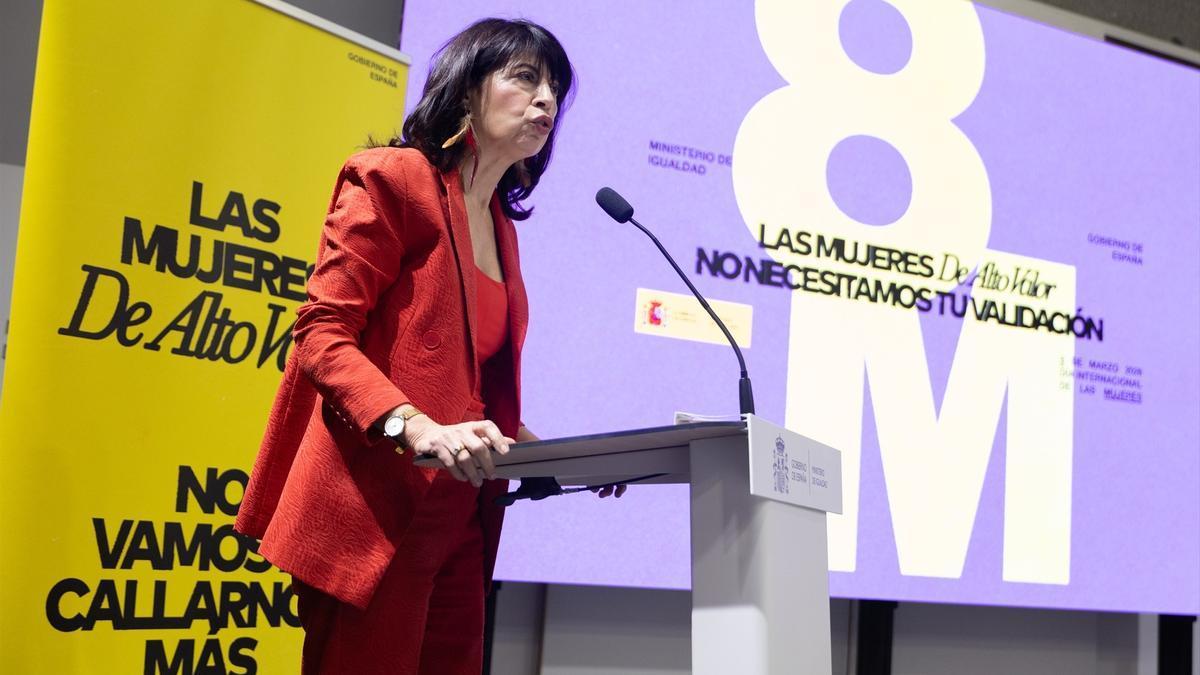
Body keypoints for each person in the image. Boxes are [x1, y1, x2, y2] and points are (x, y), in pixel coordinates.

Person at [235, 18, 620, 674]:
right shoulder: (391, 180)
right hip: (379, 510)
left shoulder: (502, 226)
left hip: (459, 520)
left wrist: (554, 452)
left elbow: (471, 390)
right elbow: (321, 332)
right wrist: (412, 423)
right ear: (468, 89)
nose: (547, 99)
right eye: (526, 77)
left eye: (556, 87)